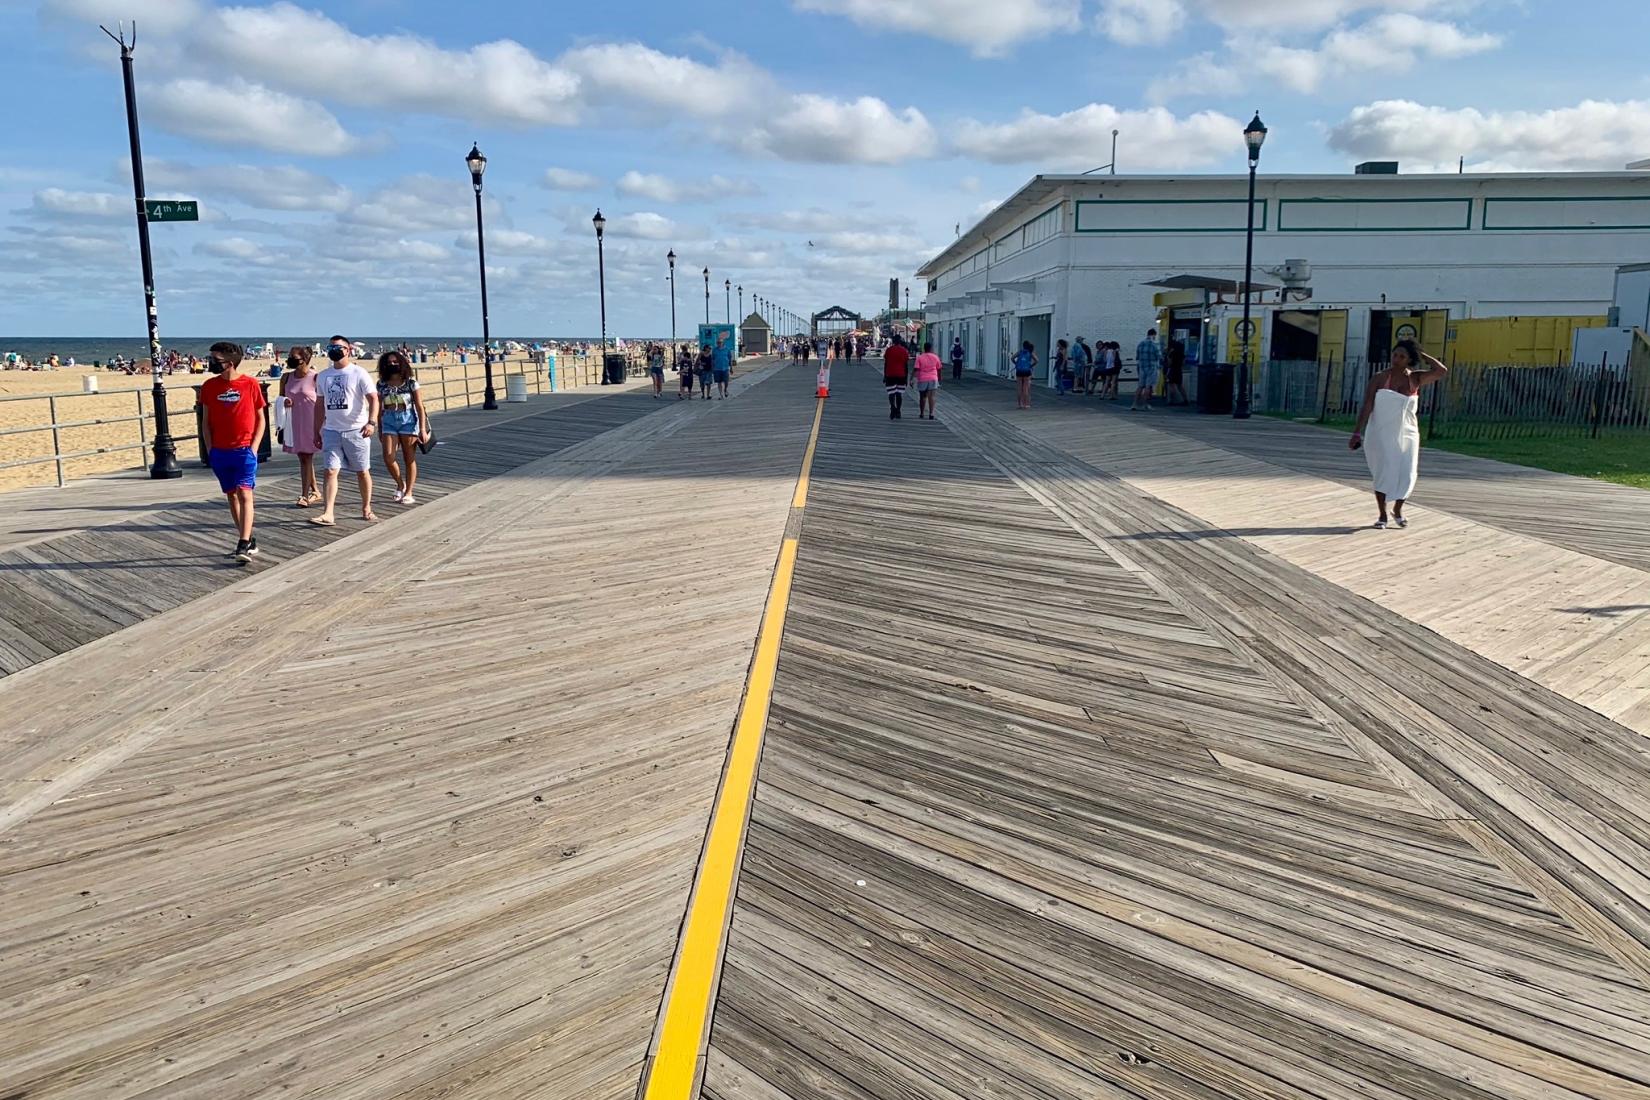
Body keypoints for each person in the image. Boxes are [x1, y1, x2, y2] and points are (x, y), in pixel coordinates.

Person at [1352, 338, 1448, 529]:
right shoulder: (1380, 378)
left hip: (1408, 433)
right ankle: (1382, 515)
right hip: (1381, 431)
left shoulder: (1416, 378)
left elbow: (1441, 371)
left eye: (1402, 356)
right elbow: (1368, 404)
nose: (1396, 359)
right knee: (1384, 470)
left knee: (1407, 472)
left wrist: (1423, 355)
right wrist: (1356, 432)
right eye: (1395, 355)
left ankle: (1398, 509)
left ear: (1409, 359)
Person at [198, 342, 267, 564]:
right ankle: (247, 537)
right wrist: (210, 449)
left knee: (245, 492)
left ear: (229, 362)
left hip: (244, 450)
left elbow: (260, 418)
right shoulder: (209, 387)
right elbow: (205, 421)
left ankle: (243, 544)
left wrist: (254, 447)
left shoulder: (250, 384)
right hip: (220, 451)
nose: (210, 363)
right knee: (232, 494)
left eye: (215, 360)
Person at [311, 335, 379, 526]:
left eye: (338, 347)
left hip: (357, 430)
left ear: (348, 350)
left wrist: (371, 422)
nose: (334, 349)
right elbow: (319, 404)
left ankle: (366, 507)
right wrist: (316, 430)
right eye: (331, 346)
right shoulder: (324, 375)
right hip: (332, 430)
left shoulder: (358, 372)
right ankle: (328, 513)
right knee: (330, 471)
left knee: (362, 471)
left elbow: (373, 398)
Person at [376, 350, 427, 506]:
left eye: (395, 362)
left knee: (408, 457)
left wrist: (422, 429)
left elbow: (419, 406)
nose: (392, 364)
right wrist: (379, 427)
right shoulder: (381, 384)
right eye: (389, 362)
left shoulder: (411, 383)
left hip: (408, 421)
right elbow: (378, 407)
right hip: (389, 420)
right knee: (388, 457)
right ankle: (400, 484)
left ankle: (409, 491)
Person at [279, 346, 321, 507]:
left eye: (293, 357)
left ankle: (304, 495)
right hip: (293, 421)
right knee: (303, 458)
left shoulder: (316, 377)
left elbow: (322, 400)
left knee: (306, 457)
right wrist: (284, 401)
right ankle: (315, 491)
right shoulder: (286, 377)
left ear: (305, 359)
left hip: (311, 421)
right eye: (289, 356)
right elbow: (280, 398)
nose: (290, 359)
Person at [1133, 329, 1162, 411]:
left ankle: (1134, 404)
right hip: (1152, 367)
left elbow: (1137, 357)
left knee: (1140, 386)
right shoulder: (1155, 345)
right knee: (1148, 386)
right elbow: (1159, 356)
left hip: (1142, 367)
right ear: (1154, 335)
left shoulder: (1140, 344)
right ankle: (1145, 404)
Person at [882, 335, 910, 419]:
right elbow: (906, 365)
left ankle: (893, 408)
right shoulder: (904, 351)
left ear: (893, 341)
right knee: (899, 394)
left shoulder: (889, 350)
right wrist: (906, 377)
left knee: (891, 393)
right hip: (901, 374)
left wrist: (885, 375)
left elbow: (886, 363)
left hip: (890, 374)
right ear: (900, 341)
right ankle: (898, 411)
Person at [913, 341, 943, 420]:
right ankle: (931, 413)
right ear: (931, 348)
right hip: (933, 378)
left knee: (922, 397)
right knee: (932, 396)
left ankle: (922, 413)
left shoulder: (920, 357)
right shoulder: (935, 357)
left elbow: (916, 369)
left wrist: (912, 378)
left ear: (924, 348)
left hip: (922, 378)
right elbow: (939, 369)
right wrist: (939, 378)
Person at [1012, 340, 1036, 409]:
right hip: (1026, 371)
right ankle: (1026, 404)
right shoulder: (1030, 352)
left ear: (1023, 346)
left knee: (1019, 388)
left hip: (1019, 371)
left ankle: (1020, 404)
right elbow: (1037, 360)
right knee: (1025, 388)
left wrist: (1016, 364)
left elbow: (1012, 358)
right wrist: (1031, 365)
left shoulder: (1020, 352)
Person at [1164, 339, 1188, 406]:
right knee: (1180, 386)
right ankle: (1185, 400)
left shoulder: (1172, 353)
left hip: (1172, 370)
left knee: (1171, 385)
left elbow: (1169, 363)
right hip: (1179, 370)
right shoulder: (1182, 353)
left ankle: (1171, 400)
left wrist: (1168, 355)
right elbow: (1184, 363)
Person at [712, 333, 733, 398]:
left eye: (720, 342)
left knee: (726, 381)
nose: (719, 343)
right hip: (717, 369)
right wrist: (712, 368)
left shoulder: (727, 349)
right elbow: (712, 359)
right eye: (718, 342)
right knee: (719, 382)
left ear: (723, 343)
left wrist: (731, 368)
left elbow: (730, 358)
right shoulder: (714, 350)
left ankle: (725, 389)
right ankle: (721, 395)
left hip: (725, 368)